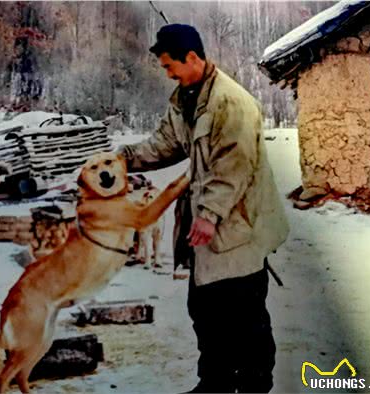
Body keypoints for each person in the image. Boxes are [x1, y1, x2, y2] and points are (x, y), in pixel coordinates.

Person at [117, 24, 289, 393]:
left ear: (192, 57)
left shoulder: (232, 102)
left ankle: (256, 385)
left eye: (169, 66)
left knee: (246, 316)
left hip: (241, 227)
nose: (168, 74)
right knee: (206, 312)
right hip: (208, 233)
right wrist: (123, 160)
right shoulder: (185, 99)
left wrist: (209, 214)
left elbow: (235, 166)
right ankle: (215, 383)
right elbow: (164, 143)